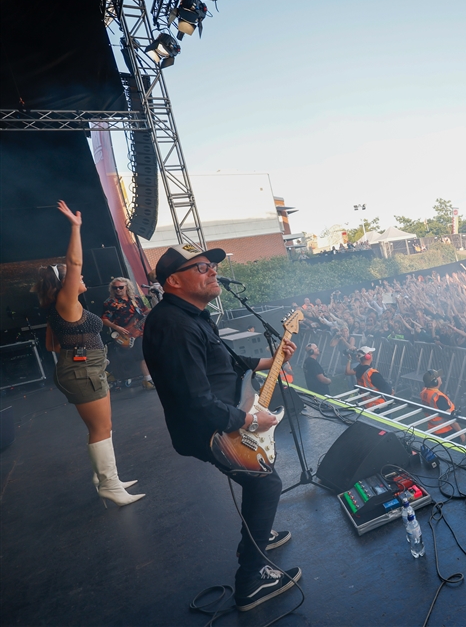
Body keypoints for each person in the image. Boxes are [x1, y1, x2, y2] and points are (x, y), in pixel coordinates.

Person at [142, 246, 300, 612]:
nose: (212, 272)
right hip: (210, 429)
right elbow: (195, 402)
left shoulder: (192, 315)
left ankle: (257, 536)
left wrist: (272, 359)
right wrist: (249, 420)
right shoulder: (175, 326)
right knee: (266, 483)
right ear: (175, 281)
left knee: (259, 478)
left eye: (212, 266)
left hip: (222, 415)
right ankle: (250, 583)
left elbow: (225, 363)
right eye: (201, 267)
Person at [32, 201, 144, 507]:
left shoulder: (66, 308)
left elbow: (51, 346)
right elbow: (75, 263)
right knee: (100, 428)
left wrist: (78, 345)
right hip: (82, 370)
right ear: (63, 283)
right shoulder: (66, 302)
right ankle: (108, 485)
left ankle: (107, 478)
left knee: (103, 427)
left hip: (84, 367)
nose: (81, 278)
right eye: (73, 276)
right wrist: (76, 227)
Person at [101, 277, 153, 389]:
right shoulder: (110, 303)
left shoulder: (135, 298)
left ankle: (151, 378)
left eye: (121, 287)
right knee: (141, 355)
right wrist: (117, 328)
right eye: (115, 288)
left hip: (142, 330)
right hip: (127, 334)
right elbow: (104, 319)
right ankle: (148, 379)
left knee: (150, 353)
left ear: (127, 287)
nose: (118, 290)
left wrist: (154, 307)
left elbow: (144, 311)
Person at [419, 369, 464, 441]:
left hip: (433, 429)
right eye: (438, 377)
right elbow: (450, 417)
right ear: (435, 382)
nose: (440, 377)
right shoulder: (439, 397)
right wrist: (461, 433)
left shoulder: (424, 392)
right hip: (446, 431)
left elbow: (424, 389)